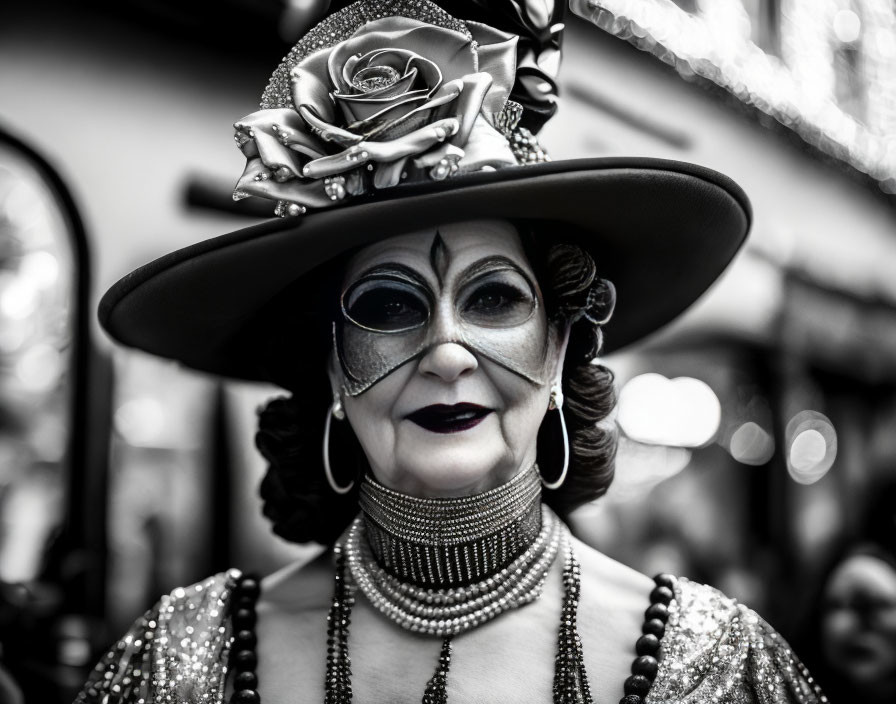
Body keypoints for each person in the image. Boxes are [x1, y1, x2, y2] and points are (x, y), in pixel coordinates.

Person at [76, 1, 825, 702]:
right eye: (389, 306)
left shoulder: (711, 668)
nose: (446, 353)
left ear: (560, 345)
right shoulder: (180, 664)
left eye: (494, 298)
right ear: (333, 362)